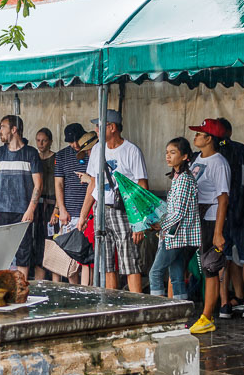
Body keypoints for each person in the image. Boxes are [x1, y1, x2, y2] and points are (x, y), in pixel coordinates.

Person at [78, 109, 149, 291]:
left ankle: (136, 303)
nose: (96, 130)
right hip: (101, 209)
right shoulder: (96, 149)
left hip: (125, 211)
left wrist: (139, 221)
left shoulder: (131, 151)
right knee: (106, 262)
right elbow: (93, 183)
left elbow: (142, 186)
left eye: (99, 126)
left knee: (130, 261)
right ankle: (112, 302)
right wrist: (83, 215)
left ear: (112, 127)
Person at [187, 119, 231, 334]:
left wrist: (218, 232)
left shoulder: (219, 163)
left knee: (210, 267)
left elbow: (223, 198)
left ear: (209, 139)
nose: (195, 137)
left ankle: (207, 316)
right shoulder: (197, 159)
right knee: (198, 266)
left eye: (200, 134)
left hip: (212, 218)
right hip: (197, 217)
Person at [0, 115, 42, 278]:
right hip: (1, 210)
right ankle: (2, 286)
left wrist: (30, 209)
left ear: (14, 129)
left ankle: (20, 287)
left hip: (23, 212)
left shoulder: (31, 153)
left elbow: (38, 185)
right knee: (1, 253)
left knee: (23, 253)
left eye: (2, 126)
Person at [214, 118, 244, 319]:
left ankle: (224, 304)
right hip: (242, 210)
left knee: (223, 257)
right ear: (230, 132)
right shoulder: (243, 150)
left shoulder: (212, 153)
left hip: (219, 212)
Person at [149, 137, 200, 299]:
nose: (168, 156)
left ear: (184, 156)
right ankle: (180, 309)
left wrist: (161, 224)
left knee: (155, 273)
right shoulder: (178, 178)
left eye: (172, 152)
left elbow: (179, 212)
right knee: (176, 277)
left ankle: (157, 309)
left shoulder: (184, 179)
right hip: (175, 235)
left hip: (177, 235)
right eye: (167, 153)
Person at [54, 123, 89, 284]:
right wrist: (61, 208)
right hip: (68, 211)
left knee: (87, 256)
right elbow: (58, 183)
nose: (75, 145)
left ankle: (87, 288)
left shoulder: (91, 152)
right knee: (68, 254)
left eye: (77, 140)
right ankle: (73, 288)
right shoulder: (61, 155)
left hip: (88, 211)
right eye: (71, 142)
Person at [32, 127, 57, 280]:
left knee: (52, 240)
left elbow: (61, 185)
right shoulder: (34, 158)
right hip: (37, 206)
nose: (41, 144)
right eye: (38, 140)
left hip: (52, 204)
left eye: (44, 141)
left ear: (50, 142)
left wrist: (57, 208)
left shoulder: (56, 159)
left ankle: (54, 278)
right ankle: (39, 278)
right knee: (38, 242)